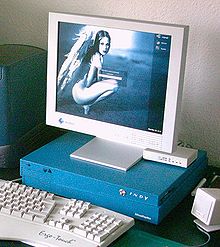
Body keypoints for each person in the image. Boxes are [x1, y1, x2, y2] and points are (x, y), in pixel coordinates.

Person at [57, 28, 119, 115]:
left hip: (77, 90)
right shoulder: (96, 57)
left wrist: (99, 80)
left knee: (113, 83)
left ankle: (88, 104)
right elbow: (88, 82)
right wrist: (99, 78)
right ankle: (88, 104)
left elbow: (95, 80)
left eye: (107, 44)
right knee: (114, 87)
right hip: (81, 93)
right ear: (97, 44)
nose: (105, 47)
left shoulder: (96, 54)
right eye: (102, 44)